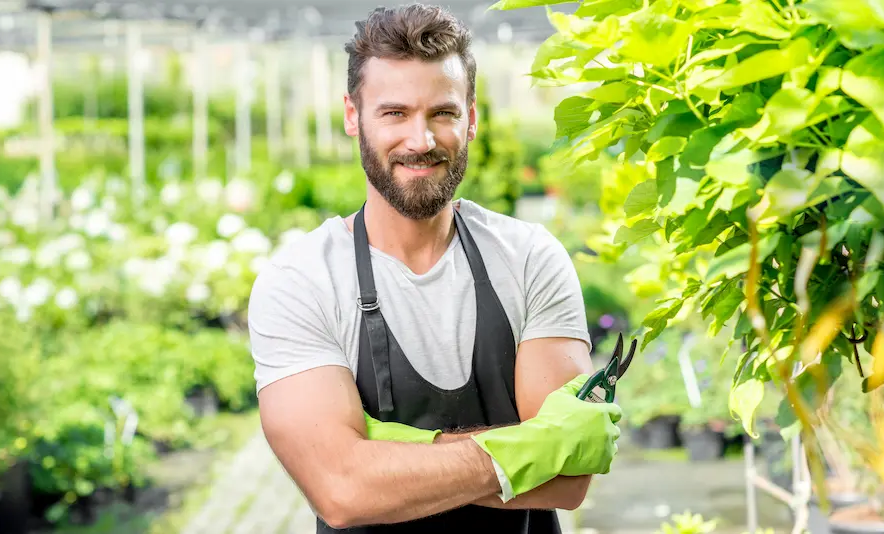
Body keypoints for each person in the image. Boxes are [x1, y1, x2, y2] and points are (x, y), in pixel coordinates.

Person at [248, 4, 623, 532]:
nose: (420, 140)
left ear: (471, 118)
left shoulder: (528, 258)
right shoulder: (301, 281)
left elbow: (569, 478)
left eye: (442, 113)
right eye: (394, 113)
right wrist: (538, 444)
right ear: (353, 116)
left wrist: (388, 449)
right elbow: (342, 490)